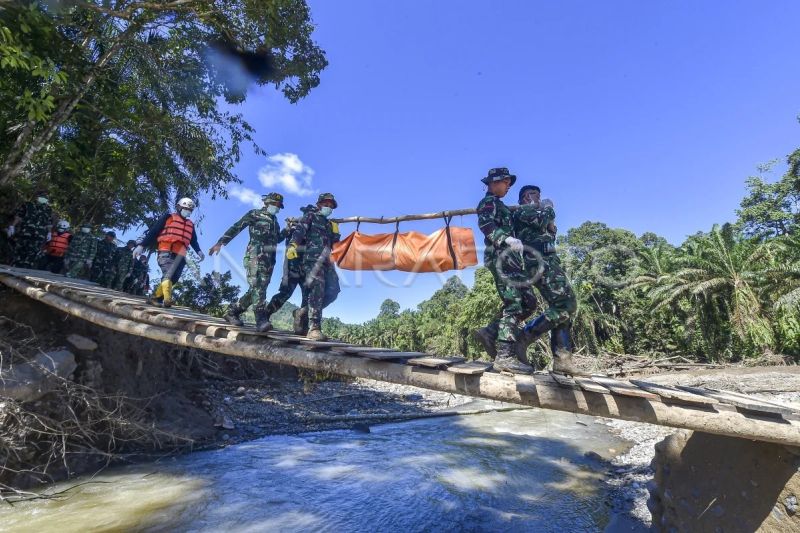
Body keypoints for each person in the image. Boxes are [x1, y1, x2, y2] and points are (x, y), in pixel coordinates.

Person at [473, 167, 537, 374]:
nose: (508, 187)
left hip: (513, 261)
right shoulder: (488, 202)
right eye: (506, 182)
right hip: (500, 257)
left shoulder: (503, 206)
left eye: (509, 183)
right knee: (514, 304)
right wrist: (505, 238)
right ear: (494, 183)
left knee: (529, 303)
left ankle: (491, 331)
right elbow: (486, 224)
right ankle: (504, 355)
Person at [515, 188, 583, 375]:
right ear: (525, 198)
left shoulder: (539, 214)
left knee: (563, 308)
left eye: (539, 195)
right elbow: (540, 220)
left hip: (550, 263)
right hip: (539, 264)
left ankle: (563, 360)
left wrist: (550, 223)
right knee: (566, 305)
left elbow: (549, 233)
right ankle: (523, 338)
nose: (539, 198)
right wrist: (549, 208)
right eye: (534, 195)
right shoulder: (522, 211)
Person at [208, 192, 288, 331]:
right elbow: (237, 227)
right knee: (258, 287)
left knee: (255, 290)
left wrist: (288, 230)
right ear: (267, 203)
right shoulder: (254, 214)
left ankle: (232, 312)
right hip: (255, 257)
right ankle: (261, 320)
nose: (277, 207)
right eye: (274, 204)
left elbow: (277, 240)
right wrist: (221, 242)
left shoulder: (275, 222)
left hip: (269, 261)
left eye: (279, 205)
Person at [286, 193, 341, 341]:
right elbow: (300, 230)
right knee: (318, 289)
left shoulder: (329, 224)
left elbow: (335, 244)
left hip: (327, 261)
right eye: (326, 204)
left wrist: (336, 233)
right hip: (312, 259)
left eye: (331, 206)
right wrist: (293, 245)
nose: (328, 207)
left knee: (334, 290)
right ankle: (314, 328)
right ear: (319, 205)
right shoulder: (311, 216)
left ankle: (302, 312)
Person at [136, 197, 204, 307]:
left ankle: (156, 298)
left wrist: (199, 251)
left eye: (190, 210)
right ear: (179, 207)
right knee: (168, 273)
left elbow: (193, 240)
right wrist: (142, 245)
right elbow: (154, 231)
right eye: (185, 208)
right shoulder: (168, 217)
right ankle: (167, 299)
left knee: (174, 277)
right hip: (166, 250)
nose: (188, 211)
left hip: (181, 255)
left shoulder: (190, 224)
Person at [11, 190, 53, 268]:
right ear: (37, 197)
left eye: (45, 198)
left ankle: (26, 269)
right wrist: (12, 226)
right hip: (25, 232)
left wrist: (49, 233)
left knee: (33, 252)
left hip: (39, 235)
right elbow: (19, 216)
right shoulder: (28, 205)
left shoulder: (48, 209)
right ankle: (15, 266)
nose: (44, 199)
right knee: (20, 250)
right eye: (42, 197)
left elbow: (49, 223)